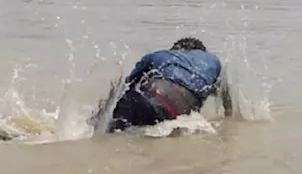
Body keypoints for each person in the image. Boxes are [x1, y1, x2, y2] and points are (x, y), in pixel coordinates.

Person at [91, 37, 233, 133]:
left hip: (142, 98)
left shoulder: (159, 55)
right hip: (173, 110)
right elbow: (228, 107)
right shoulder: (213, 63)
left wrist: (101, 111)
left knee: (113, 133)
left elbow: (126, 86)